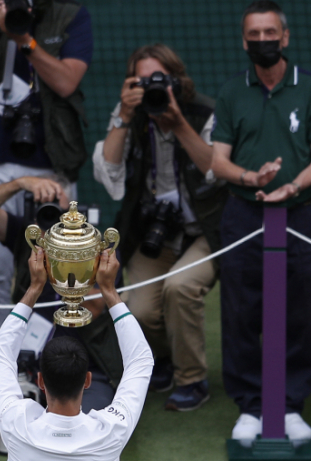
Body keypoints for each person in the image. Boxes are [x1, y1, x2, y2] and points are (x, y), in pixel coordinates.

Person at [0, 0, 93, 394]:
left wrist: (25, 39)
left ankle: (55, 368)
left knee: (60, 273)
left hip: (51, 164)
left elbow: (68, 81)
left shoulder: (70, 13)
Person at [210, 0, 311, 442]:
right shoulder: (231, 92)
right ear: (244, 41)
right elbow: (217, 160)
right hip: (243, 214)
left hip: (300, 213)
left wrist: (291, 187)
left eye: (269, 33)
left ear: (284, 37)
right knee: (242, 311)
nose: (262, 41)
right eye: (254, 34)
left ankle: (291, 404)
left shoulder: (310, 89)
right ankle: (251, 405)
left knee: (298, 311)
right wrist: (251, 177)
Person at [93, 43, 226, 411]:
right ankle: (162, 360)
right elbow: (109, 177)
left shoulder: (206, 112)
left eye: (158, 79)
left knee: (179, 287)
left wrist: (178, 124)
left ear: (178, 80)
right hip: (154, 231)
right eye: (140, 80)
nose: (150, 88)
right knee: (139, 310)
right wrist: (122, 115)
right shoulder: (129, 116)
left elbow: (215, 172)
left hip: (205, 231)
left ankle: (192, 379)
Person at [0, 175, 124, 451]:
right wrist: (20, 184)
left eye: (56, 208)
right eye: (44, 208)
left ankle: (38, 416)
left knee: (84, 437)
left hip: (82, 370)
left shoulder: (91, 245)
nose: (51, 216)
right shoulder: (30, 238)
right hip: (30, 367)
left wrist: (65, 262)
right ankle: (35, 405)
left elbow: (97, 306)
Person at [0, 246, 152, 461]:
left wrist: (33, 288)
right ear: (87, 380)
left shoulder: (16, 425)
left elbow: (0, 355)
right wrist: (109, 291)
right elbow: (140, 360)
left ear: (41, 381)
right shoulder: (110, 431)